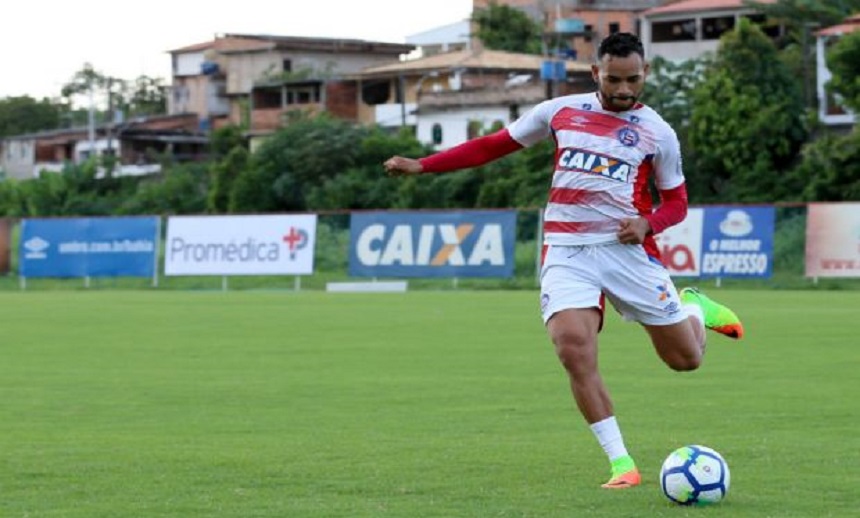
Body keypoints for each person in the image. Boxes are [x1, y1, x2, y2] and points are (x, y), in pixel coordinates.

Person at [383, 32, 744, 489]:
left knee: (685, 360)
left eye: (633, 79)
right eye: (614, 79)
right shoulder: (559, 111)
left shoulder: (658, 133)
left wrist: (648, 223)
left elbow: (676, 202)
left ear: (645, 73)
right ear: (596, 73)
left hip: (626, 253)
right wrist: (424, 164)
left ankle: (694, 307)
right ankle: (621, 464)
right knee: (572, 347)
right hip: (567, 251)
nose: (624, 90)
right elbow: (494, 145)